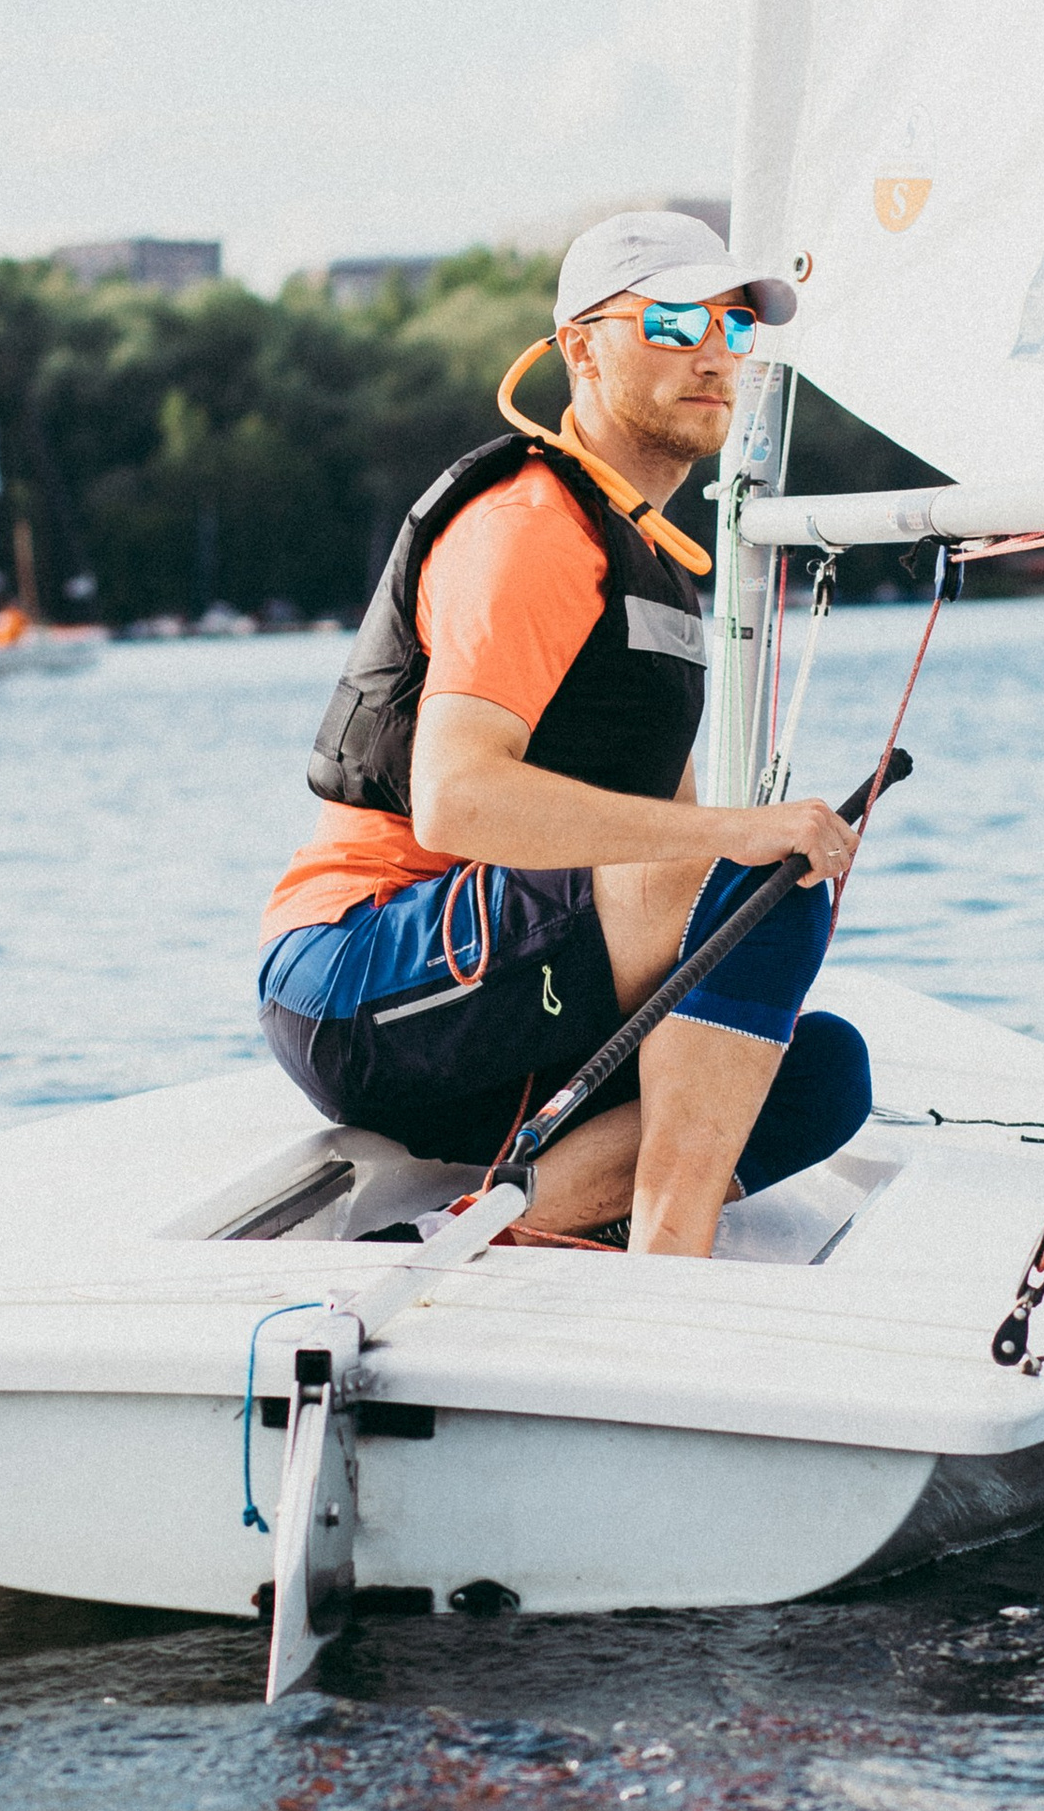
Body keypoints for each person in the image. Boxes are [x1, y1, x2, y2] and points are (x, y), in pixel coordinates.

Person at [258, 212, 871, 1258]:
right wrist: (742, 846)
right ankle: (666, 1267)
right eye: (672, 322)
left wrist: (749, 873)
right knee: (745, 871)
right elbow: (456, 799)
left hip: (498, 1020)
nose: (714, 352)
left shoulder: (651, 559)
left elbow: (668, 851)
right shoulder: (531, 526)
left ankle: (500, 1226)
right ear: (581, 348)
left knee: (821, 1072)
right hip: (360, 981)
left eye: (733, 326)